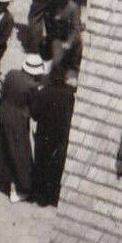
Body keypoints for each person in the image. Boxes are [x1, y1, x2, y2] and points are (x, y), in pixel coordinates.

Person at [0, 33, 49, 202]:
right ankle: (19, 187)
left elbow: (4, 94)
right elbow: (35, 111)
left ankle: (0, 174)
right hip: (18, 121)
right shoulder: (32, 86)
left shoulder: (12, 74)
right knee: (19, 152)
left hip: (4, 113)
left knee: (2, 145)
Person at [31, 63, 77, 207]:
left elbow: (34, 114)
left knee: (41, 161)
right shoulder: (69, 96)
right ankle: (51, 194)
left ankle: (39, 194)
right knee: (55, 164)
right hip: (60, 134)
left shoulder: (43, 92)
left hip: (44, 132)